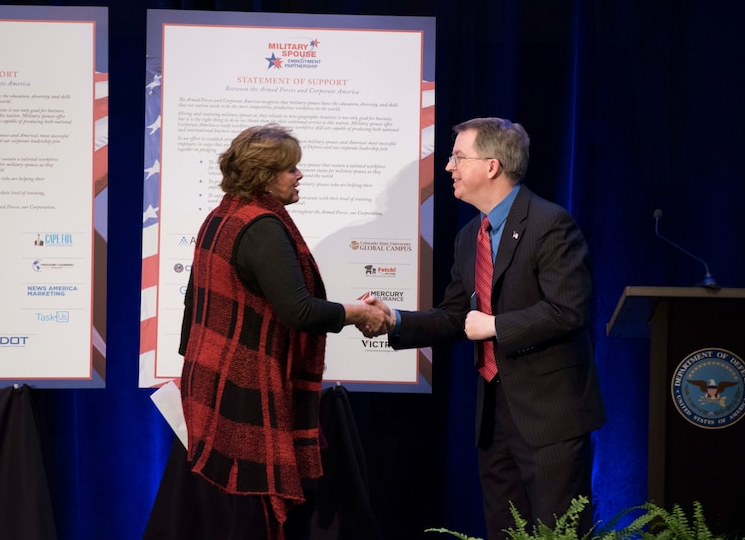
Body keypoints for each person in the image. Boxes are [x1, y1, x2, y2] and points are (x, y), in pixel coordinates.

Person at [365, 117, 606, 538]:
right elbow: (457, 318)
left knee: (558, 532)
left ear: (492, 166)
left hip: (550, 417)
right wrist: (395, 320)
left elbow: (569, 310)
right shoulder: (468, 237)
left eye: (458, 157)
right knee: (503, 531)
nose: (448, 167)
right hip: (493, 421)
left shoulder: (550, 224)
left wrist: (495, 325)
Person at [178, 124, 388, 540]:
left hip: (214, 378)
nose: (299, 175)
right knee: (253, 510)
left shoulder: (223, 214)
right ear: (264, 174)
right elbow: (299, 311)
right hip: (242, 385)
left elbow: (193, 304)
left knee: (234, 510)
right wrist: (358, 313)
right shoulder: (261, 227)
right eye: (291, 169)